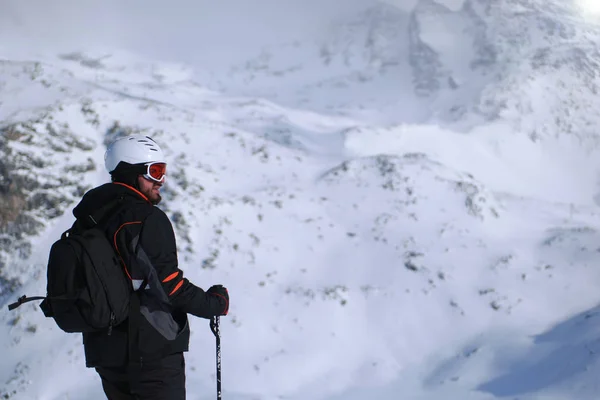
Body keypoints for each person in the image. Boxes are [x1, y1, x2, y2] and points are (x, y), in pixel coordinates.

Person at [70, 134, 229, 399]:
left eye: (163, 171)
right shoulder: (147, 219)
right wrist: (214, 304)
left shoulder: (87, 219)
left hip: (105, 352)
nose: (161, 181)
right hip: (151, 353)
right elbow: (170, 286)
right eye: (155, 171)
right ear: (132, 173)